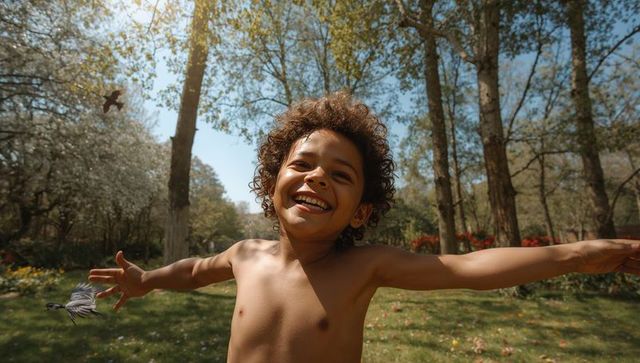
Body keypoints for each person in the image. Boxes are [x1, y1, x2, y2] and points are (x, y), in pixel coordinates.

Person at [89, 92, 640, 363]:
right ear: (273, 180)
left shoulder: (361, 266)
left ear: (362, 212)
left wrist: (583, 254)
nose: (317, 178)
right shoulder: (245, 253)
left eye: (340, 174)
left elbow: (468, 267)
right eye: (302, 165)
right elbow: (193, 270)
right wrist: (149, 279)